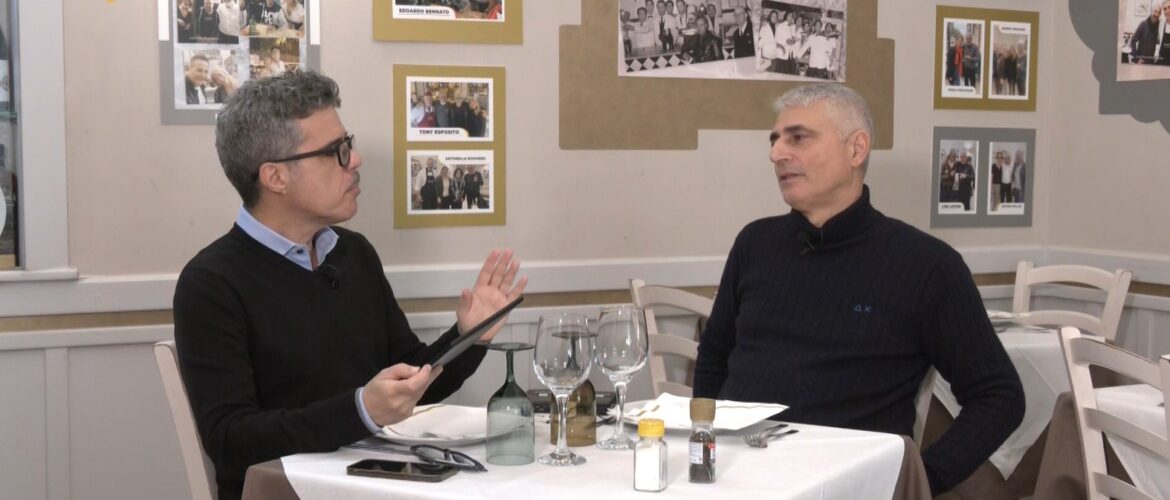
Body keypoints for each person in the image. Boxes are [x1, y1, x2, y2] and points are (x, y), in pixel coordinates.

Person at [173, 70, 527, 500]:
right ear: (275, 177)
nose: (354, 160)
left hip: (376, 484)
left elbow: (410, 383)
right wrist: (361, 410)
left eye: (349, 144)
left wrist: (469, 336)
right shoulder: (211, 283)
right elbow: (231, 440)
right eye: (335, 152)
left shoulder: (353, 253)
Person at [693, 83, 1023, 496]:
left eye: (798, 137)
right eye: (775, 140)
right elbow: (714, 357)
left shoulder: (926, 265)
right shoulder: (754, 243)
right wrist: (703, 451)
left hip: (844, 487)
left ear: (856, 149)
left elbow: (999, 397)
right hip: (731, 478)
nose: (776, 154)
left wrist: (917, 480)